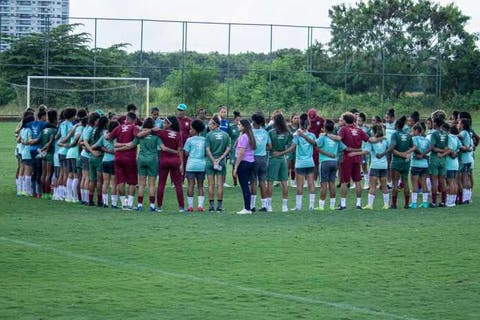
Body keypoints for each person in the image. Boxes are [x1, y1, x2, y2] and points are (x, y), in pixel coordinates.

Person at [150, 116, 185, 212]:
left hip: (164, 160)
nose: (163, 124)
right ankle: (181, 207)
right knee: (178, 185)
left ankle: (159, 206)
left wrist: (157, 128)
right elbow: (180, 150)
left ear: (170, 124)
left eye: (165, 122)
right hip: (175, 161)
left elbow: (151, 130)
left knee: (161, 183)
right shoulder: (178, 135)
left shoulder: (162, 132)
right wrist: (181, 164)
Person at [106, 112, 140, 210]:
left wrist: (106, 134)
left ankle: (123, 204)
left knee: (120, 181)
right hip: (129, 158)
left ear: (126, 119)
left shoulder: (119, 127)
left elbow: (108, 137)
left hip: (118, 158)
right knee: (132, 182)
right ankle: (129, 204)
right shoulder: (134, 127)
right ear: (134, 120)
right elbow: (139, 136)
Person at [337, 112, 370, 210]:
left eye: (342, 119)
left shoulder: (343, 129)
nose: (341, 121)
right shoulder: (359, 130)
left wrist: (326, 135)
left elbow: (338, 139)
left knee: (344, 181)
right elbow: (369, 139)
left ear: (345, 121)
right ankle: (359, 204)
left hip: (347, 157)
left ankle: (343, 204)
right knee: (357, 181)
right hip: (357, 158)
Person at [316, 120, 346, 211]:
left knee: (323, 184)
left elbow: (316, 145)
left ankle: (321, 206)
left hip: (324, 162)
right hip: (334, 162)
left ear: (324, 128)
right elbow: (343, 148)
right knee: (332, 183)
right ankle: (332, 206)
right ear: (333, 128)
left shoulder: (323, 138)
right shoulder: (336, 139)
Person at [132, 117, 161, 211]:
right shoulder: (156, 136)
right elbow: (162, 147)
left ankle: (139, 205)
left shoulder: (141, 135)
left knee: (141, 184)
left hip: (141, 159)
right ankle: (152, 206)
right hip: (152, 159)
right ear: (153, 125)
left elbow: (132, 144)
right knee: (152, 184)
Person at [267, 113, 294, 212]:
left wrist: (274, 152)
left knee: (270, 182)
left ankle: (269, 206)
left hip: (273, 158)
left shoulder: (271, 132)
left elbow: (268, 146)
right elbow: (292, 146)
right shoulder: (287, 133)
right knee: (284, 182)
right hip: (283, 159)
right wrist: (282, 153)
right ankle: (285, 207)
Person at [205, 115, 231, 212]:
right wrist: (219, 159)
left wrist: (213, 160)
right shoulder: (226, 135)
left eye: (210, 124)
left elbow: (207, 149)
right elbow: (228, 149)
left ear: (215, 124)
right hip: (221, 163)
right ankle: (219, 207)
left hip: (210, 162)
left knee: (211, 184)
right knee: (220, 185)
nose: (209, 125)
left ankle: (211, 207)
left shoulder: (209, 135)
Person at [291, 113, 317, 211]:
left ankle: (298, 206)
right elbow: (315, 144)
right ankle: (311, 206)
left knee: (299, 186)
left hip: (300, 163)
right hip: (310, 162)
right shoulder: (312, 135)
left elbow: (293, 147)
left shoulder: (297, 135)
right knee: (311, 184)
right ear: (308, 125)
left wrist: (282, 152)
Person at [93, 120, 119, 209]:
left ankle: (105, 203)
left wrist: (104, 149)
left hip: (105, 161)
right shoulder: (117, 136)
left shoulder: (104, 136)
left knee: (105, 182)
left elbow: (94, 146)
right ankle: (114, 204)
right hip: (114, 161)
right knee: (114, 183)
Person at [233, 119, 257, 214]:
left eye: (239, 125)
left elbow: (241, 153)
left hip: (244, 163)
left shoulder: (244, 137)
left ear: (244, 126)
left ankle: (247, 208)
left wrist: (235, 167)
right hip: (250, 162)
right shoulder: (248, 136)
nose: (237, 126)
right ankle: (248, 206)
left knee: (244, 186)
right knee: (248, 185)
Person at [250, 113, 271, 212]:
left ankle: (252, 205)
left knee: (253, 181)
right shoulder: (265, 132)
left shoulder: (251, 132)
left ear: (254, 122)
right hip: (263, 158)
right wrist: (262, 148)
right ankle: (264, 205)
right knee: (263, 181)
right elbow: (270, 146)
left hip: (253, 158)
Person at [184, 119, 207, 212]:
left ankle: (190, 206)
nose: (190, 131)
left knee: (190, 185)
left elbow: (186, 152)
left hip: (191, 165)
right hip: (201, 165)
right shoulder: (204, 140)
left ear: (195, 130)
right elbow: (206, 152)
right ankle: (200, 206)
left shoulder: (189, 140)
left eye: (191, 129)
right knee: (200, 186)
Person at [409, 123, 432, 209]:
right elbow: (430, 149)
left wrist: (419, 154)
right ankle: (425, 203)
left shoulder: (414, 138)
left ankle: (414, 203)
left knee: (414, 183)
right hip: (425, 164)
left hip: (415, 163)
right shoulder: (426, 140)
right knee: (424, 183)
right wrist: (423, 155)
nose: (412, 132)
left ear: (416, 131)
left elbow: (414, 148)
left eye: (412, 130)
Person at [429, 116, 449, 207]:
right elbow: (447, 148)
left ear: (436, 123)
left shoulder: (434, 134)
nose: (432, 124)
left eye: (433, 122)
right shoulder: (445, 134)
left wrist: (439, 151)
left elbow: (432, 147)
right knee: (442, 181)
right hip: (443, 160)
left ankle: (433, 202)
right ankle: (443, 202)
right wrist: (442, 152)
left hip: (434, 159)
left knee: (434, 182)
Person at [39, 109, 58, 199]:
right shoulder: (54, 130)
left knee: (43, 173)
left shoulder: (44, 129)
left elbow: (39, 140)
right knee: (49, 174)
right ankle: (48, 193)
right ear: (55, 119)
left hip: (43, 154)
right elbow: (51, 142)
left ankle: (43, 193)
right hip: (50, 153)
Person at [444, 124, 461, 207]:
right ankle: (453, 201)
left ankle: (449, 201)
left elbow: (448, 148)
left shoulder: (448, 138)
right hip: (455, 164)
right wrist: (455, 153)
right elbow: (459, 148)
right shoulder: (456, 137)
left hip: (449, 163)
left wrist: (451, 154)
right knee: (454, 182)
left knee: (450, 183)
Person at [307, 108, 325, 185]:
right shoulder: (306, 120)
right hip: (307, 143)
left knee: (316, 163)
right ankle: (306, 181)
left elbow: (326, 127)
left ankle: (315, 180)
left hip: (317, 144)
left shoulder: (320, 120)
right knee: (306, 162)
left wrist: (323, 133)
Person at [458, 118, 473, 204]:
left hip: (463, 159)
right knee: (466, 178)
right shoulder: (468, 133)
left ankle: (463, 198)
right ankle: (468, 196)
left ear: (463, 124)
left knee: (462, 178)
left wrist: (449, 134)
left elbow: (457, 137)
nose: (458, 124)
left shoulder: (463, 132)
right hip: (469, 158)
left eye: (459, 123)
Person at [228, 111, 241, 187]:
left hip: (241, 149)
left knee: (241, 165)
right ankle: (235, 182)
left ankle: (241, 181)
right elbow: (228, 136)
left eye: (239, 120)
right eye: (237, 120)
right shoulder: (231, 127)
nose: (238, 121)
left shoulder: (242, 127)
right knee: (234, 165)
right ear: (234, 120)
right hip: (234, 149)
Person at [288, 113, 300, 187]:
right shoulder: (288, 127)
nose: (296, 119)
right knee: (288, 165)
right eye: (295, 118)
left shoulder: (300, 127)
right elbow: (291, 134)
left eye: (298, 118)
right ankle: (285, 180)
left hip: (297, 148)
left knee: (294, 165)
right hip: (289, 147)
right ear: (292, 119)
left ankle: (293, 181)